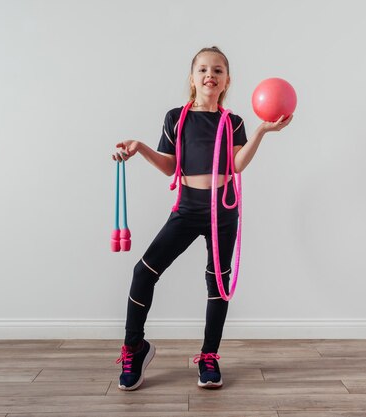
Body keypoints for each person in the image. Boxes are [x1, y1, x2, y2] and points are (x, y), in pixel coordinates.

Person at [112, 46, 293, 391]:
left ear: (226, 81)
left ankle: (209, 357)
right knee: (143, 272)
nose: (210, 74)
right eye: (203, 69)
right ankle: (135, 347)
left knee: (218, 285)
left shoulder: (233, 122)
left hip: (223, 213)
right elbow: (170, 166)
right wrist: (140, 148)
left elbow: (237, 165)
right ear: (193, 79)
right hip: (187, 209)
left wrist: (261, 132)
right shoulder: (176, 118)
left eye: (218, 70)